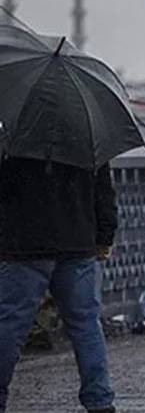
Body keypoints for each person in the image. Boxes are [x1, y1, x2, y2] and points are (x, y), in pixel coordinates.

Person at [0, 158, 117, 413]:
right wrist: (105, 236)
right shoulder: (88, 129)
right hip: (77, 243)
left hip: (24, 245)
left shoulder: (13, 131)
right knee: (86, 326)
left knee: (10, 325)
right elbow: (103, 190)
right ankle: (100, 401)